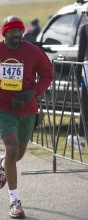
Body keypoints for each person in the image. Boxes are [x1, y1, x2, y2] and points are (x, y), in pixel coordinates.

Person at [0, 15, 53, 219]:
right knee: (12, 147)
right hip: (3, 108)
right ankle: (15, 201)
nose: (17, 35)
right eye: (12, 31)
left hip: (27, 108)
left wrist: (32, 92)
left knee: (17, 154)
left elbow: (48, 75)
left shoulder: (33, 52)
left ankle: (3, 162)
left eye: (19, 31)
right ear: (4, 32)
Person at [68, 4, 88, 150]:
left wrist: (76, 73)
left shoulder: (85, 28)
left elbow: (80, 55)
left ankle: (81, 138)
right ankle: (80, 137)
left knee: (85, 105)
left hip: (87, 71)